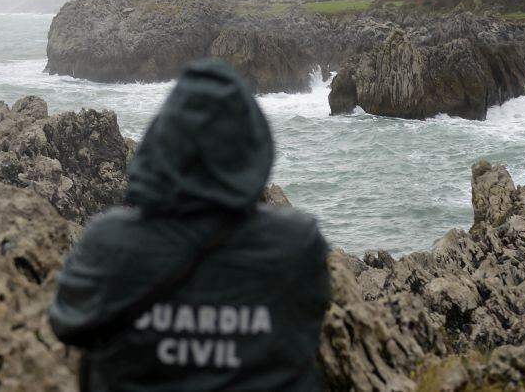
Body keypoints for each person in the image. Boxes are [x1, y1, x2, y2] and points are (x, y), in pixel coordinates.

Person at [49, 59, 331, 391]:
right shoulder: (295, 244)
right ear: (252, 148)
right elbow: (307, 327)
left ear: (161, 141)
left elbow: (67, 325)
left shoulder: (109, 241)